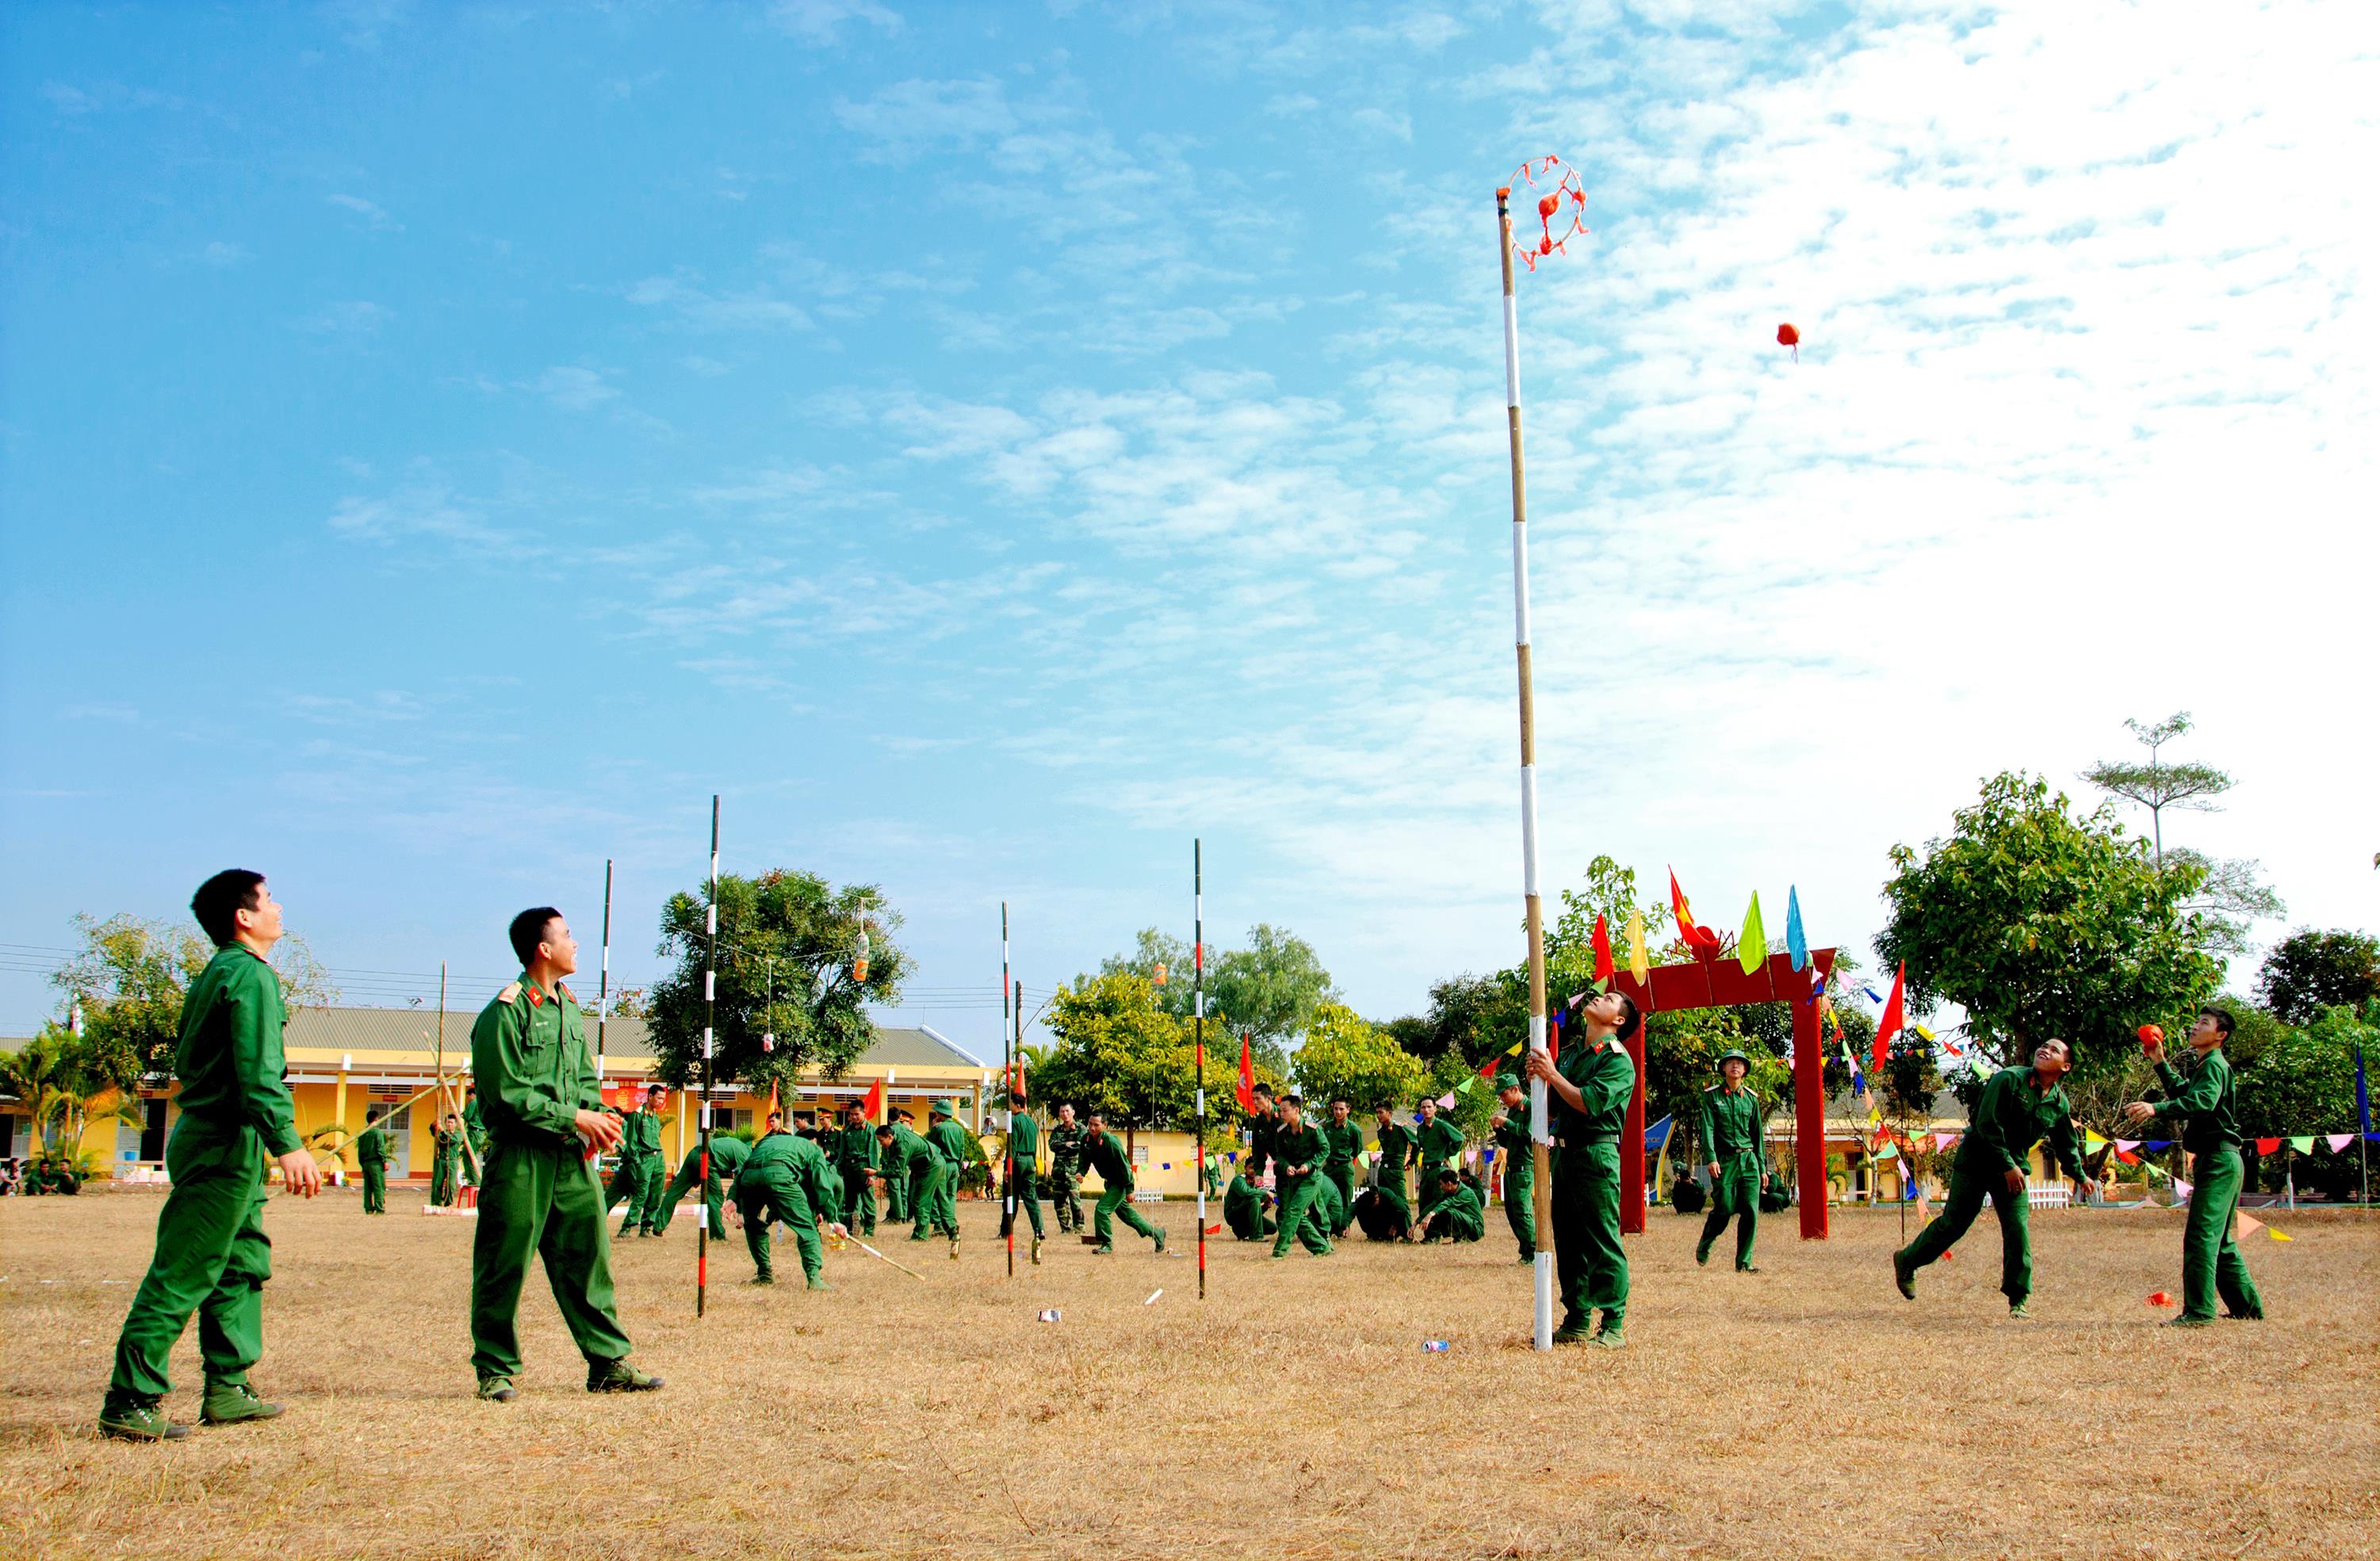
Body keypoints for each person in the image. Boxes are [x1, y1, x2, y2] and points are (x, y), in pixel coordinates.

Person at [101, 870, 323, 1440]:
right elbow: (257, 1071)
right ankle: (130, 1398)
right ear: (243, 916)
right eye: (269, 898)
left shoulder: (223, 971)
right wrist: (288, 1144)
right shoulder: (249, 975)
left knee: (240, 1263)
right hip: (223, 1137)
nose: (278, 906)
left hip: (227, 1138)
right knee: (186, 1267)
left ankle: (228, 1387)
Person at [467, 907, 660, 1402]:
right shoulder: (505, 1012)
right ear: (543, 949)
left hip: (571, 1158)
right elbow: (507, 1093)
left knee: (588, 1259)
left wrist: (599, 1119)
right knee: (504, 1264)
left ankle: (607, 1363)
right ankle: (495, 1370)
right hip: (521, 1159)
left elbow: (585, 1079)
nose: (575, 944)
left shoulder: (569, 1008)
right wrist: (574, 1117)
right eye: (568, 935)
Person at [1892, 1039, 2091, 1318]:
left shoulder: (2058, 1103)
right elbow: (1987, 1123)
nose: (2044, 1050)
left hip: (2014, 1171)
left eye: (2054, 1050)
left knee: (2017, 1229)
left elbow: (2066, 1143)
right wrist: (2007, 1165)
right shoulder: (2008, 1079)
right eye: (2044, 1046)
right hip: (1977, 1161)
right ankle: (1907, 1260)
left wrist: (2080, 1176)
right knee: (1954, 1224)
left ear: (2065, 1067)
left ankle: (2018, 1300)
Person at [2126, 1008, 2264, 1326]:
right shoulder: (2207, 1065)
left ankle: (2199, 1313)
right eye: (2197, 1021)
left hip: (2219, 1160)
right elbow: (2186, 1093)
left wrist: (2155, 1108)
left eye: (2204, 1023)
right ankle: (2247, 1308)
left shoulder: (2214, 1065)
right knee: (2221, 1241)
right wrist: (2159, 1061)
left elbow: (2202, 1102)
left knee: (2201, 1237)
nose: (2195, 1026)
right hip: (2219, 1159)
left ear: (2220, 1035)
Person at [1525, 989, 1640, 1347]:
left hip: (1596, 1154)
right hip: (1565, 1153)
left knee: (1601, 1239)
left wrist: (1553, 1074)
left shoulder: (1617, 1060)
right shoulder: (1573, 1053)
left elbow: (1589, 1102)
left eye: (1610, 999)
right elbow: (1556, 1106)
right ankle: (1577, 1318)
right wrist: (1539, 1080)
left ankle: (1613, 1324)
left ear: (1618, 1020)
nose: (1599, 998)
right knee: (1568, 1239)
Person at [735, 1115, 846, 1288]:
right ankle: (814, 1279)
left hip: (749, 1179)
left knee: (753, 1226)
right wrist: (833, 1219)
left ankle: (764, 1273)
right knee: (807, 1229)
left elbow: (744, 1168)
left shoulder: (769, 1141)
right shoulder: (814, 1151)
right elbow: (823, 1187)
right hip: (780, 1177)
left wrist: (732, 1198)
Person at [1696, 1050, 1770, 1274]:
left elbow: (1757, 1136)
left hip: (1749, 1160)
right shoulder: (1712, 1097)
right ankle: (1706, 1242)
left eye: (1739, 1063)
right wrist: (1711, 1158)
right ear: (1724, 1069)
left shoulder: (1751, 1099)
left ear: (1745, 1069)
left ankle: (1744, 1263)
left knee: (1750, 1211)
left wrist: (1762, 1168)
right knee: (1725, 1208)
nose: (1735, 1066)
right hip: (1725, 1160)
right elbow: (1707, 1129)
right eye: (1730, 1063)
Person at [1079, 1111, 1165, 1254]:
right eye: (1090, 1124)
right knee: (1126, 1214)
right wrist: (1081, 1172)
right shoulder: (1086, 1139)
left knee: (1102, 1209)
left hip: (1120, 1183)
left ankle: (1106, 1244)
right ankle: (1157, 1233)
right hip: (1109, 1182)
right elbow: (1084, 1159)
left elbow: (1125, 1167)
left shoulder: (1111, 1142)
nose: (1092, 1128)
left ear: (1105, 1125)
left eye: (1096, 1125)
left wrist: (1129, 1189)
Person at [650, 1123, 748, 1239]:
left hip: (694, 1154)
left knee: (674, 1192)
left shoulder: (738, 1144)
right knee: (715, 1198)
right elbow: (740, 1183)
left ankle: (658, 1226)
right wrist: (740, 1210)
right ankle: (717, 1235)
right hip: (707, 1159)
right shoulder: (746, 1156)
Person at [1266, 1095, 1333, 1260]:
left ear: (1296, 1110)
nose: (1281, 1114)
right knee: (1306, 1212)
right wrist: (1286, 1166)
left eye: (1285, 1110)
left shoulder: (1313, 1130)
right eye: (1280, 1111)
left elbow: (1325, 1149)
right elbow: (1280, 1155)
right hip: (1293, 1178)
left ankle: (1280, 1251)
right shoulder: (1281, 1132)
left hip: (1311, 1178)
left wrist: (1310, 1164)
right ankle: (1323, 1247)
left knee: (1294, 1211)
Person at [909, 1099, 968, 1257]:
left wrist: (934, 1127)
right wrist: (959, 1165)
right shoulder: (959, 1128)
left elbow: (929, 1146)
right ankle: (951, 1222)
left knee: (937, 1196)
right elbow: (962, 1149)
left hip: (941, 1164)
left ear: (940, 1113)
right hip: (955, 1165)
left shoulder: (939, 1128)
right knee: (950, 1196)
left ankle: (939, 1225)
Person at [610, 1085, 667, 1237]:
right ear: (650, 1096)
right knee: (642, 1194)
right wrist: (638, 1163)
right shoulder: (637, 1115)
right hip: (644, 1158)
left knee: (655, 1194)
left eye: (663, 1099)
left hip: (658, 1158)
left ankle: (646, 1227)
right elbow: (631, 1142)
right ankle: (627, 1227)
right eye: (659, 1098)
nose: (661, 1101)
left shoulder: (655, 1116)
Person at [1490, 1075, 1536, 1264]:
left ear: (1516, 1089)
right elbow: (1508, 1142)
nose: (1503, 1099)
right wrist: (1498, 1129)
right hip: (1512, 1167)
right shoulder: (1513, 1110)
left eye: (1505, 1094)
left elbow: (1529, 1134)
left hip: (1524, 1168)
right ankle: (1525, 1250)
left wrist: (1507, 1123)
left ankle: (1533, 1253)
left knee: (1523, 1212)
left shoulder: (1530, 1108)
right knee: (1513, 1213)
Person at [1001, 1096, 1046, 1264]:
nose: (1009, 1106)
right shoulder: (1032, 1123)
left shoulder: (1014, 1122)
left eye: (1011, 1103)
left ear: (1017, 1105)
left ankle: (1006, 1230)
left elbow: (1012, 1146)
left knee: (1011, 1197)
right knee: (1031, 1197)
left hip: (1018, 1160)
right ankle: (1039, 1229)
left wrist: (1007, 1168)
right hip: (1030, 1161)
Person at [832, 1101, 880, 1238]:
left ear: (864, 1113)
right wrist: (839, 1171)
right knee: (850, 1202)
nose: (854, 1117)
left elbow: (873, 1153)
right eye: (851, 1114)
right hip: (849, 1169)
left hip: (864, 1168)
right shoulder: (846, 1131)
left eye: (857, 1114)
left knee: (868, 1202)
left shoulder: (871, 1130)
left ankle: (869, 1230)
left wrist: (873, 1174)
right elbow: (842, 1153)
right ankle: (850, 1229)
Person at [1318, 1098, 1362, 1238]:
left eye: (1341, 1109)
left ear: (1348, 1110)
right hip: (1329, 1167)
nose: (1338, 1112)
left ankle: (1343, 1229)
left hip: (1345, 1168)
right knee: (1326, 1197)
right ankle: (1326, 1228)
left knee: (1345, 1199)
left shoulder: (1354, 1129)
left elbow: (1358, 1149)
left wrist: (1347, 1158)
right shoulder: (1327, 1126)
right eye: (1336, 1109)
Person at [1370, 1103, 1415, 1232]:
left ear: (1389, 1113)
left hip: (1396, 1170)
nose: (1378, 1115)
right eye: (1377, 1112)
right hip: (1383, 1170)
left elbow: (1416, 1143)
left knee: (1401, 1202)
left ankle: (1407, 1232)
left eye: (1381, 1112)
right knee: (1385, 1202)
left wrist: (1411, 1162)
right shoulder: (1380, 1132)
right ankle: (1387, 1232)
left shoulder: (1400, 1128)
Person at [1414, 1096, 1464, 1205]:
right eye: (1423, 1107)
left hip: (1439, 1169)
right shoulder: (1420, 1129)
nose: (1426, 1110)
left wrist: (1447, 1155)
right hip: (1425, 1171)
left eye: (1429, 1107)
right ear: (1420, 1110)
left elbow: (1460, 1139)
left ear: (1435, 1108)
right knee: (1423, 1203)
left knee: (1439, 1202)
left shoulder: (1441, 1125)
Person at [1417, 1169, 1486, 1244]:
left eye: (1441, 1184)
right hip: (1468, 1224)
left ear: (1448, 1184)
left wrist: (1431, 1214)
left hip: (1476, 1229)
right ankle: (1434, 1238)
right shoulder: (1451, 1192)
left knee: (1446, 1210)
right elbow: (1435, 1204)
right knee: (1438, 1208)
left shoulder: (1465, 1193)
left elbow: (1448, 1203)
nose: (1440, 1187)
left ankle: (1462, 1238)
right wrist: (1416, 1223)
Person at [1047, 1103, 1085, 1234]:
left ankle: (1079, 1228)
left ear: (1073, 1112)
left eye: (1067, 1111)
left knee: (1075, 1201)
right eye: (1062, 1111)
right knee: (1059, 1202)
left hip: (1073, 1171)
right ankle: (1066, 1229)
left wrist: (1065, 1145)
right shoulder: (1057, 1130)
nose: (1065, 1114)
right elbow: (1052, 1145)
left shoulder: (1081, 1129)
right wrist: (1066, 1144)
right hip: (1058, 1170)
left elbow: (1079, 1145)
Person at [354, 1107, 390, 1215]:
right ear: (376, 1119)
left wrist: (362, 1164)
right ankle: (379, 1208)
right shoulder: (377, 1132)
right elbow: (380, 1148)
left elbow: (360, 1151)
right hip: (376, 1163)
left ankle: (368, 1208)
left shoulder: (362, 1133)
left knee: (368, 1187)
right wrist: (384, 1161)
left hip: (366, 1163)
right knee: (378, 1186)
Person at [1223, 1171, 1276, 1239]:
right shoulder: (1239, 1180)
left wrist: (1265, 1206)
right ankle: (1256, 1236)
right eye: (1251, 1168)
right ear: (1246, 1168)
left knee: (1272, 1228)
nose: (1253, 1171)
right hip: (1233, 1214)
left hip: (1245, 1216)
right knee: (1254, 1199)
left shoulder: (1255, 1184)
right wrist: (1266, 1193)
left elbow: (1255, 1212)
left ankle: (1240, 1231)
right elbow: (1245, 1192)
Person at [1243, 1085, 1280, 1180]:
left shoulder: (1283, 1115)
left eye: (1258, 1099)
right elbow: (1258, 1152)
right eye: (1253, 1099)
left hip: (1297, 1167)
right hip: (1280, 1171)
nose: (1255, 1102)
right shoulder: (1257, 1124)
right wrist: (1259, 1173)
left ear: (1268, 1098)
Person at [432, 1113, 465, 1208]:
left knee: (450, 1184)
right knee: (437, 1183)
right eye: (448, 1122)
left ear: (455, 1124)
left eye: (451, 1122)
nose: (449, 1124)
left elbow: (452, 1140)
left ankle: (448, 1203)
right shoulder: (441, 1134)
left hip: (452, 1161)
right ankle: (436, 1203)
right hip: (442, 1160)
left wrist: (442, 1130)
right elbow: (433, 1133)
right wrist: (434, 1125)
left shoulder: (458, 1134)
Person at [461, 1084, 488, 1191]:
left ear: (471, 1095)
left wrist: (463, 1114)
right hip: (479, 1133)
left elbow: (467, 1116)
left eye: (468, 1097)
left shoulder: (474, 1102)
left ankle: (475, 1180)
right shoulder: (482, 1103)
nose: (468, 1099)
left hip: (474, 1132)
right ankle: (473, 1179)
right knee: (469, 1155)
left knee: (469, 1155)